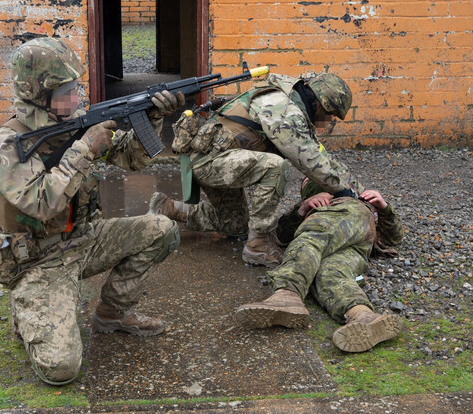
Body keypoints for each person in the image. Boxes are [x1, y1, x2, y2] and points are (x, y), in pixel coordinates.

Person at [0, 37, 184, 385]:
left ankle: (112, 313)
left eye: (75, 87)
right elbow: (42, 203)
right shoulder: (6, 144)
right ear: (38, 93)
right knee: (60, 370)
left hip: (84, 240)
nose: (76, 97)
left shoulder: (76, 121)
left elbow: (132, 158)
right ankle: (27, 307)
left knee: (161, 229)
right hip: (39, 260)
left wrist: (152, 117)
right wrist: (85, 149)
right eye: (66, 90)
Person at [148, 72, 363, 268]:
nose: (329, 121)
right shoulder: (283, 109)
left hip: (218, 159)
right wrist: (341, 191)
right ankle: (258, 245)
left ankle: (168, 208)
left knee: (235, 226)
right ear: (322, 104)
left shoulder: (291, 104)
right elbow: (307, 159)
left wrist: (354, 188)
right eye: (330, 115)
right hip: (211, 162)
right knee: (275, 167)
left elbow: (319, 154)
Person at [235, 178, 405, 353]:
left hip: (348, 214)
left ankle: (287, 294)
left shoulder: (347, 198)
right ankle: (362, 314)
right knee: (329, 273)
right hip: (358, 244)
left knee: (310, 239)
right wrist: (302, 209)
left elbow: (394, 238)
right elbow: (281, 236)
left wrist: (385, 208)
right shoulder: (309, 204)